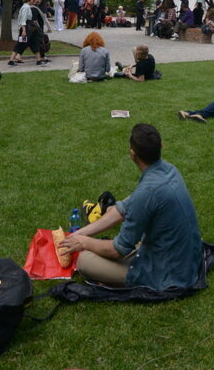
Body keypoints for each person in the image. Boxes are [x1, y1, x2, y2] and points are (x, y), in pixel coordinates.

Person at [59, 124, 203, 290]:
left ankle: (125, 279)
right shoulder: (169, 170)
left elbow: (118, 250)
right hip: (187, 259)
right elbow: (122, 209)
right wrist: (80, 233)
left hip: (168, 273)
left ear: (132, 154)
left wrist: (84, 242)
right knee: (97, 246)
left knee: (84, 261)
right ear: (161, 146)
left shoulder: (147, 192)